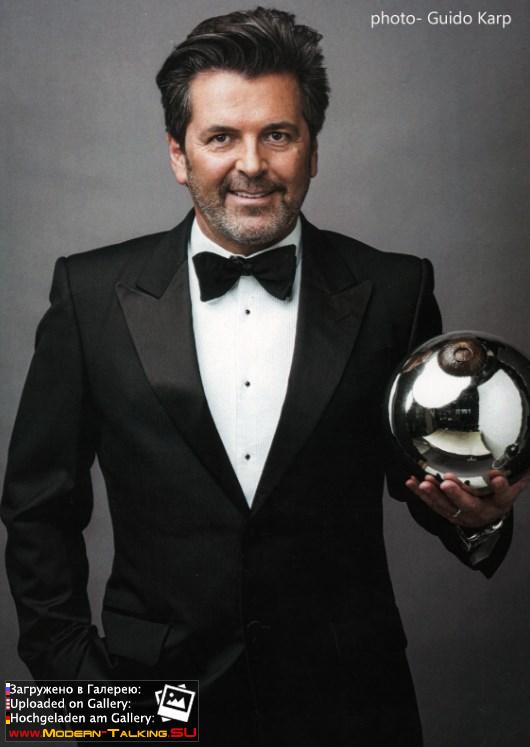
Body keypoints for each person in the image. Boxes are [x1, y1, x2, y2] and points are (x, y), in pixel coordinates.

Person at [2, 7, 528, 746]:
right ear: (178, 154)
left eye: (277, 134)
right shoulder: (89, 295)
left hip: (351, 706)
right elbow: (36, 508)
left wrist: (481, 520)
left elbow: (424, 481)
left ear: (312, 151)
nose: (251, 163)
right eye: (221, 136)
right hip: (149, 703)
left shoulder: (396, 290)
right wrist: (79, 692)